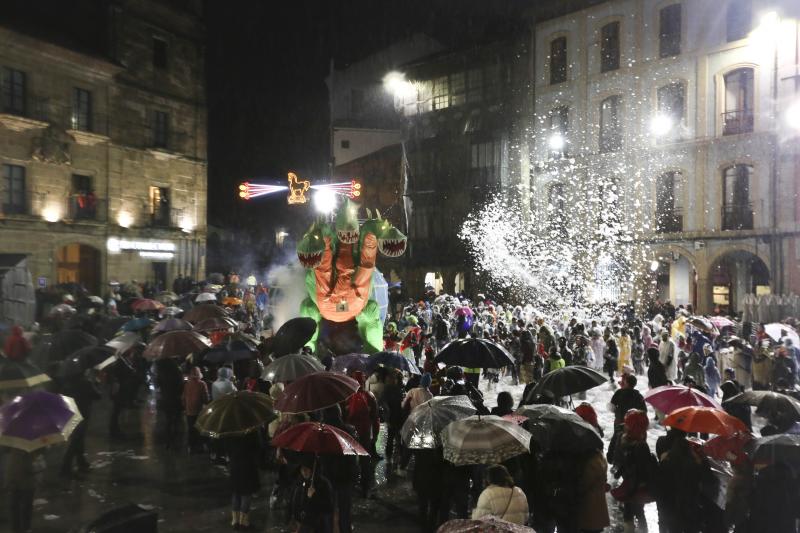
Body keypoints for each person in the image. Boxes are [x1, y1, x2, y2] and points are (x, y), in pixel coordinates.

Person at [611, 409, 656, 533]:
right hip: (638, 486)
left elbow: (616, 458)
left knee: (629, 512)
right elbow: (645, 469)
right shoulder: (641, 445)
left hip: (628, 483)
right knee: (639, 512)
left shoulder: (623, 438)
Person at [320, 405, 358, 533]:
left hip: (327, 477)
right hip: (345, 477)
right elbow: (354, 456)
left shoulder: (321, 433)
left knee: (328, 510)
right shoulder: (348, 431)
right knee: (345, 511)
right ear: (339, 414)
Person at [225, 432, 262, 530]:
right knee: (246, 493)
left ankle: (235, 521)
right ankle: (243, 522)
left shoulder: (231, 431)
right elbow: (257, 448)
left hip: (234, 466)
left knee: (236, 493)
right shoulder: (250, 432)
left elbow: (227, 448)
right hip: (247, 466)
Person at [290, 456, 335, 533]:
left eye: (307, 469)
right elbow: (296, 503)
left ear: (312, 469)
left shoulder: (323, 484)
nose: (304, 472)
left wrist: (313, 496)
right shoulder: (300, 483)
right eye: (302, 469)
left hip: (318, 524)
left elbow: (328, 507)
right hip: (303, 523)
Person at [608, 374, 647, 463]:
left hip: (619, 422)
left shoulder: (619, 392)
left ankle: (613, 459)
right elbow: (644, 411)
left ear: (626, 382)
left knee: (617, 439)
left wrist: (617, 411)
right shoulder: (639, 396)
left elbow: (611, 407)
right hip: (634, 425)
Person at [5, 448, 42, 533]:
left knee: (14, 507)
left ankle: (15, 528)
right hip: (26, 483)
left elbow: (10, 467)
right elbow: (29, 468)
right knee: (27, 506)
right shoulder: (27, 450)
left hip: (14, 481)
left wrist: (8, 482)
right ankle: (26, 528)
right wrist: (37, 465)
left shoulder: (14, 449)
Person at [576, 449, 611, 533]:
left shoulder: (591, 463)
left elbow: (586, 483)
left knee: (589, 527)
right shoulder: (601, 459)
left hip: (590, 501)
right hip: (599, 499)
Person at [182, 366, 209, 453]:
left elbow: (183, 397)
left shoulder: (187, 384)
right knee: (200, 428)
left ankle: (191, 447)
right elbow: (205, 398)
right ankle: (200, 446)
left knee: (191, 429)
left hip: (189, 410)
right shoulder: (202, 384)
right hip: (199, 410)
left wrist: (185, 407)